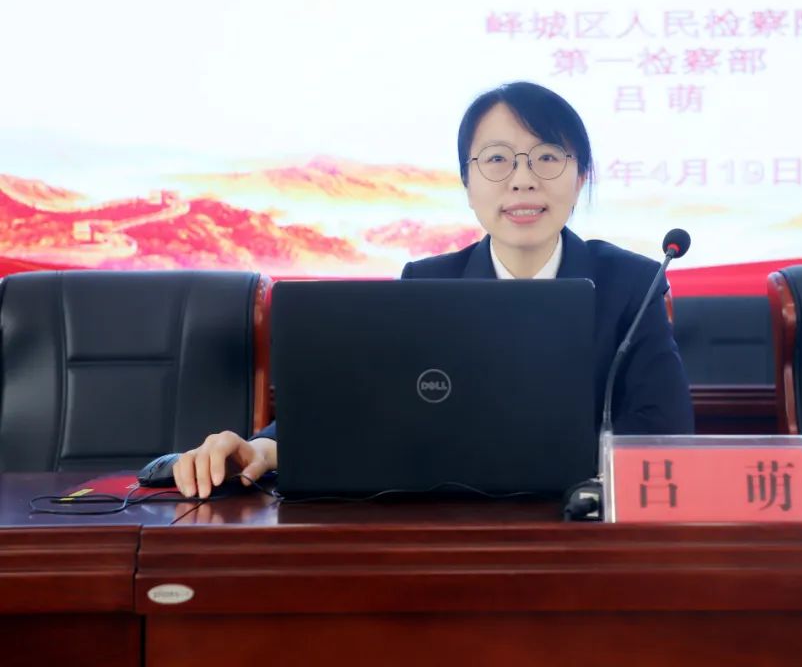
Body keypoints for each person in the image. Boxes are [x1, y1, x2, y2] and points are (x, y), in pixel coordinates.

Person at [174, 81, 694, 498]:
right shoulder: (427, 283)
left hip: (583, 533)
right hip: (451, 528)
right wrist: (264, 449)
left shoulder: (632, 285)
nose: (523, 180)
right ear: (467, 183)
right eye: (497, 160)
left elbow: (665, 431)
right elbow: (357, 410)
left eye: (548, 157)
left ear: (580, 177)